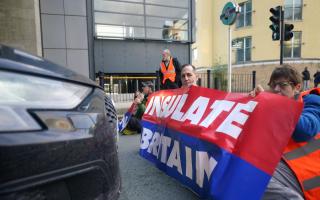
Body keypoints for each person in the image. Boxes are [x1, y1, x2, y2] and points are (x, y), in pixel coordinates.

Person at [250, 65, 320, 200]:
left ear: (297, 87)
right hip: (283, 167)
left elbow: (305, 131)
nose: (276, 89)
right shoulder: (273, 106)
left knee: (252, 179)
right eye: (273, 85)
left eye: (283, 85)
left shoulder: (312, 100)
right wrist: (253, 105)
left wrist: (270, 102)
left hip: (304, 175)